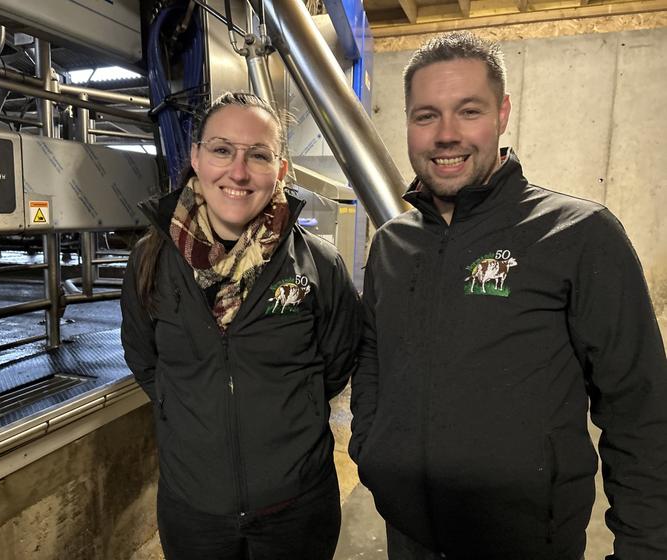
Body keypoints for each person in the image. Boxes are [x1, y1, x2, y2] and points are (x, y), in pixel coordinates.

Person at [349, 31, 667, 560]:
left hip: (527, 542)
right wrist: (372, 450)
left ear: (502, 114)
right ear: (407, 122)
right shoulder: (392, 244)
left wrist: (645, 546)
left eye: (467, 111)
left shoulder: (577, 234)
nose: (446, 134)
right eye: (426, 116)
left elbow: (639, 406)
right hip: (409, 533)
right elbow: (373, 357)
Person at [120, 91, 360, 560]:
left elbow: (336, 363)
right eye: (222, 149)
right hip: (193, 508)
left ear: (281, 170)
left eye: (259, 155)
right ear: (196, 157)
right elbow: (146, 362)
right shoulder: (150, 261)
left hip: (297, 506)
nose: (238, 171)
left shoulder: (319, 264)